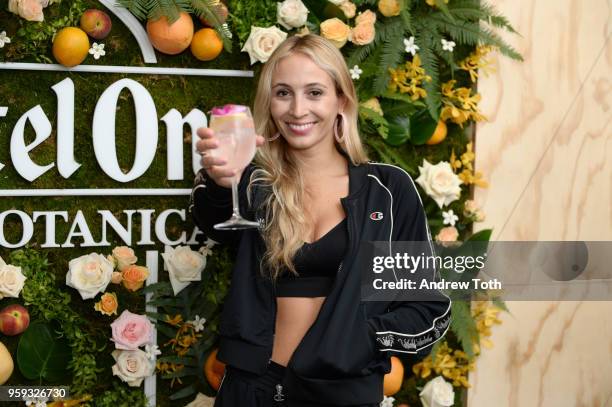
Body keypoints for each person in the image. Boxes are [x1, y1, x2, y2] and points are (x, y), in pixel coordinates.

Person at [191, 34, 451, 407]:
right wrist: (221, 184)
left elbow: (429, 307)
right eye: (283, 93)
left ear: (341, 100)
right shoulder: (252, 184)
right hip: (249, 388)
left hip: (342, 392)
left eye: (314, 92)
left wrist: (364, 338)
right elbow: (211, 221)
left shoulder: (388, 190)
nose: (298, 109)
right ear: (269, 102)